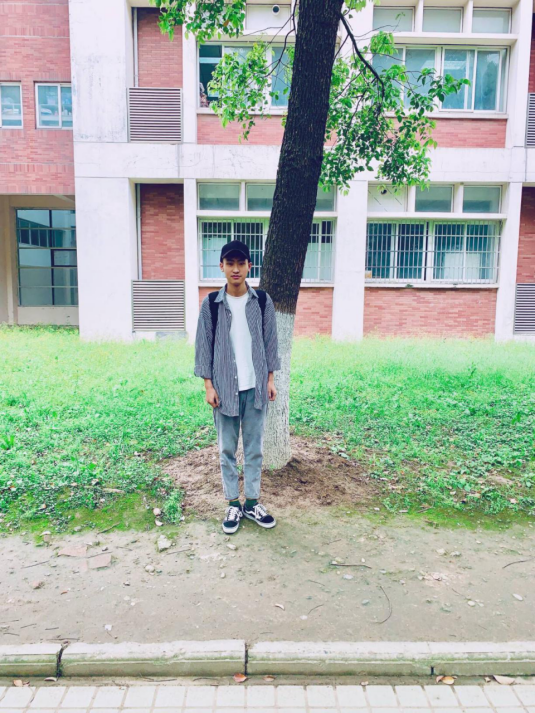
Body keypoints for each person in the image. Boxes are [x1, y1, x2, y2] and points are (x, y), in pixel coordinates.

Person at [194, 240, 281, 534]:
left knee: (254, 449)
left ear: (249, 267)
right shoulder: (211, 304)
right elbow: (203, 346)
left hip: (255, 388)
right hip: (224, 390)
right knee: (227, 450)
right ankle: (233, 503)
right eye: (229, 263)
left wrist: (270, 379)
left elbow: (270, 343)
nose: (235, 269)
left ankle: (252, 502)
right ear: (221, 266)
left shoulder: (262, 301)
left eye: (240, 263)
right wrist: (208, 385)